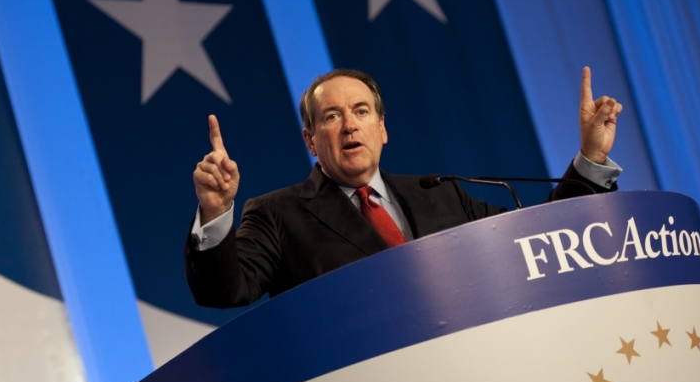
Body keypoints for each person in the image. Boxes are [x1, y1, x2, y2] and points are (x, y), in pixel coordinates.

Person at [185, 68, 623, 308]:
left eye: (360, 111)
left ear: (382, 128)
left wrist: (591, 159)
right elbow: (225, 291)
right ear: (311, 141)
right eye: (332, 116)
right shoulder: (277, 214)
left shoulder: (440, 191)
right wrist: (217, 211)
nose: (350, 125)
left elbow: (540, 241)